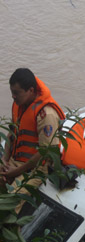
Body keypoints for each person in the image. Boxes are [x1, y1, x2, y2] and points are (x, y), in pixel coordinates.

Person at [0, 68, 65, 213]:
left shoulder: (46, 114)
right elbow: (12, 133)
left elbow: (45, 152)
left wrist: (14, 172)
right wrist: (4, 161)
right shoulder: (19, 105)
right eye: (12, 92)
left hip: (35, 168)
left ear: (30, 90)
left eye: (16, 93)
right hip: (15, 161)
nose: (13, 97)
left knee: (11, 202)